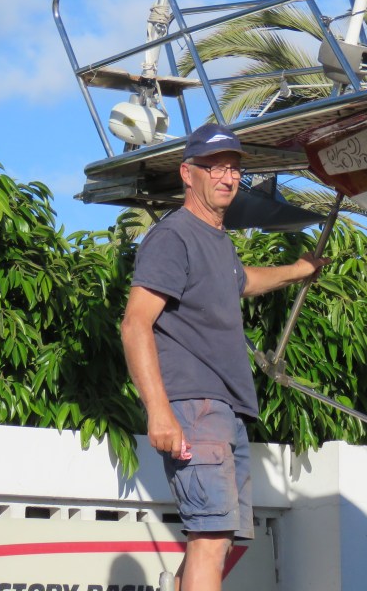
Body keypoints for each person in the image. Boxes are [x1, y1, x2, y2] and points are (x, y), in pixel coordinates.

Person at [121, 122, 329, 591]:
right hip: (195, 406)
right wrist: (159, 411)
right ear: (187, 173)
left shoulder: (216, 239)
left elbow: (242, 280)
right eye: (213, 167)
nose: (227, 177)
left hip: (224, 410)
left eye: (234, 168)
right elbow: (135, 324)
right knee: (211, 539)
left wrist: (298, 270)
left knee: (215, 540)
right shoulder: (174, 237)